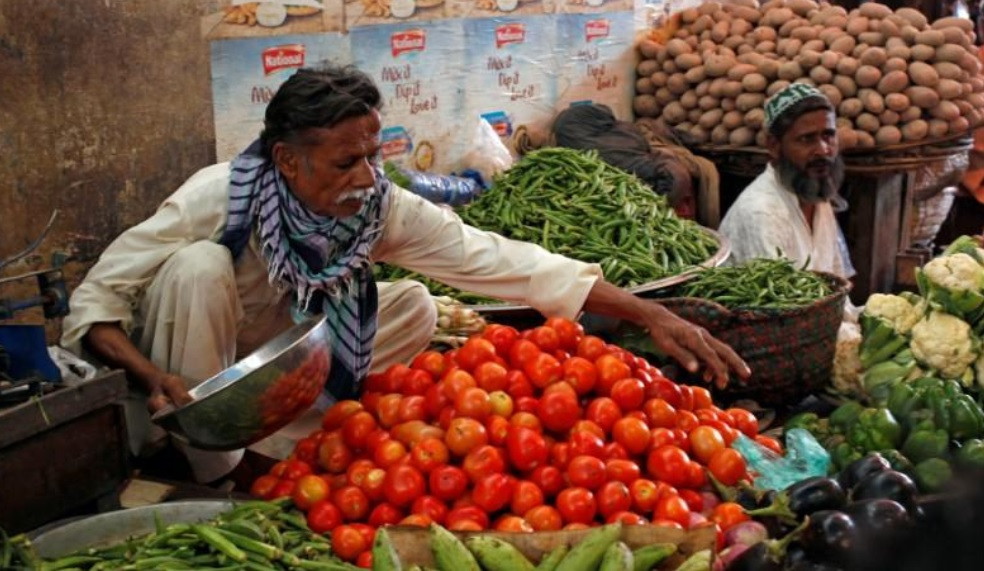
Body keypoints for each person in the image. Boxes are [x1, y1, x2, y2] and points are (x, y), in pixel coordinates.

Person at [61, 65, 749, 484]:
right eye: (344, 163)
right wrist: (154, 380)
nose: (367, 178)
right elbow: (95, 303)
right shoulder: (219, 197)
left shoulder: (375, 206)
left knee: (415, 304)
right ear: (287, 161)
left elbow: (503, 261)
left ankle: (285, 439)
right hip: (189, 373)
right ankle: (216, 466)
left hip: (275, 358)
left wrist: (649, 312)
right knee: (198, 268)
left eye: (371, 155)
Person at [718, 83, 856, 280]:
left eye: (828, 135)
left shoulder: (817, 195)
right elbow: (780, 306)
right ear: (774, 146)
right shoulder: (761, 213)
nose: (823, 150)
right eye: (807, 139)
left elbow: (837, 282)